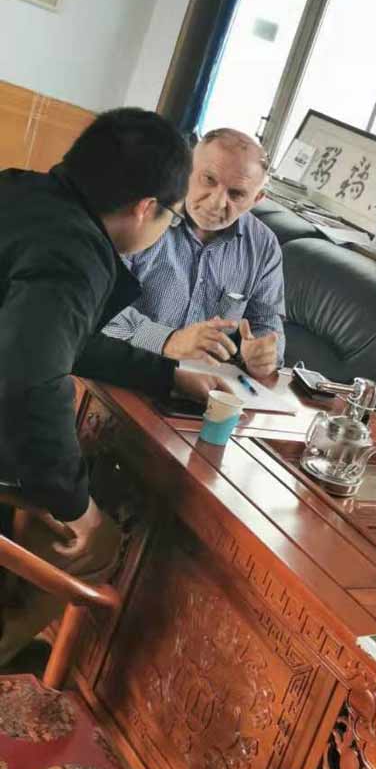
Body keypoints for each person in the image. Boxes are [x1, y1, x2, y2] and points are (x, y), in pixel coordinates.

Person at [0, 107, 220, 580]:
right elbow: (28, 382)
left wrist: (167, 373)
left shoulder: (21, 192)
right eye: (171, 217)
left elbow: (50, 340)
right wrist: (79, 510)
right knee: (101, 537)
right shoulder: (75, 252)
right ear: (145, 207)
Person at [103, 128, 285, 379]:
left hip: (210, 385)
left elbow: (267, 325)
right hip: (123, 368)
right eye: (209, 179)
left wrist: (262, 356)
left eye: (236, 194)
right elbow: (98, 306)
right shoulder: (141, 212)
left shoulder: (264, 246)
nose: (216, 202)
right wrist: (168, 340)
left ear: (257, 198)